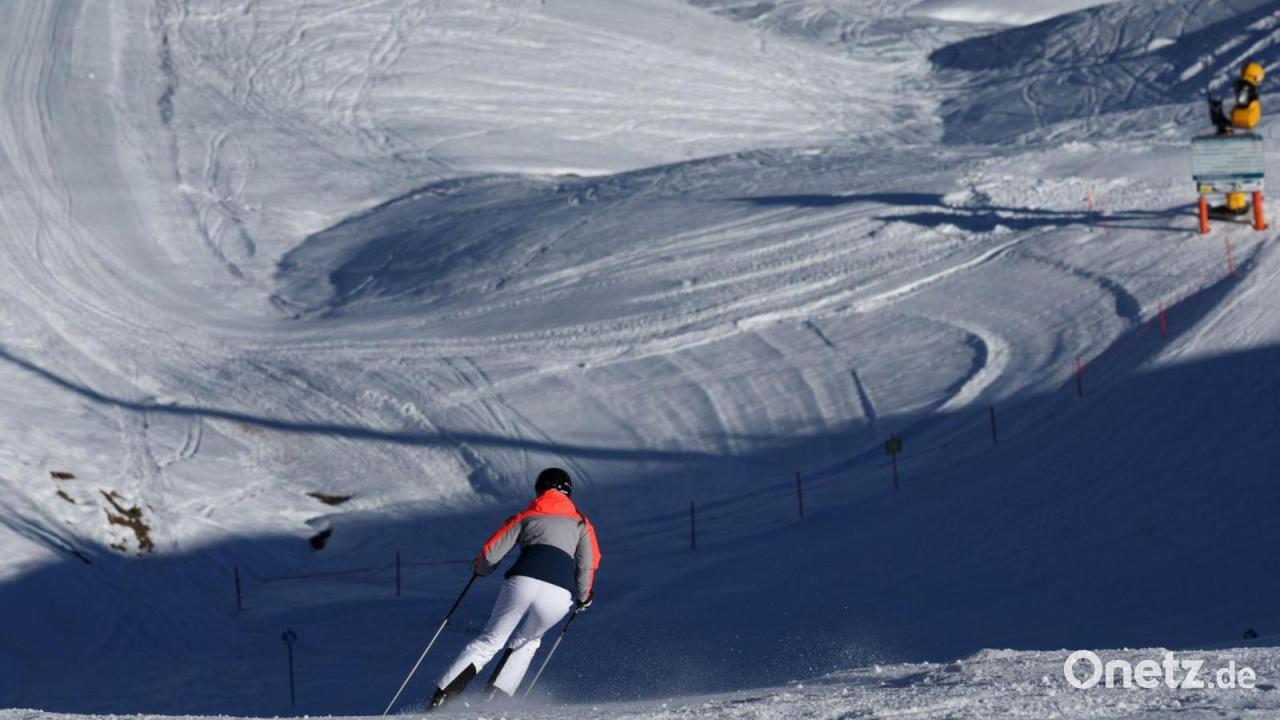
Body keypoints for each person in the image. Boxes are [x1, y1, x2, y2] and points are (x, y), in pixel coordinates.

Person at [428, 467, 601, 709]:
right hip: (558, 595)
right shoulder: (582, 524)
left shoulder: (526, 515)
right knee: (528, 642)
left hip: (522, 583)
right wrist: (584, 597)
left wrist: (480, 570)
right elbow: (587, 565)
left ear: (540, 490)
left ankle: (441, 700)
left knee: (490, 641)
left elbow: (491, 554)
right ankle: (493, 703)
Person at [1208, 60, 1266, 216]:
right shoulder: (1246, 88)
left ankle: (1236, 202)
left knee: (1234, 168)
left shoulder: (1244, 87)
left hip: (1236, 134)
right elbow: (1243, 110)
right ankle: (1235, 204)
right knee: (1235, 169)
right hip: (1238, 135)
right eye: (1259, 77)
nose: (1259, 81)